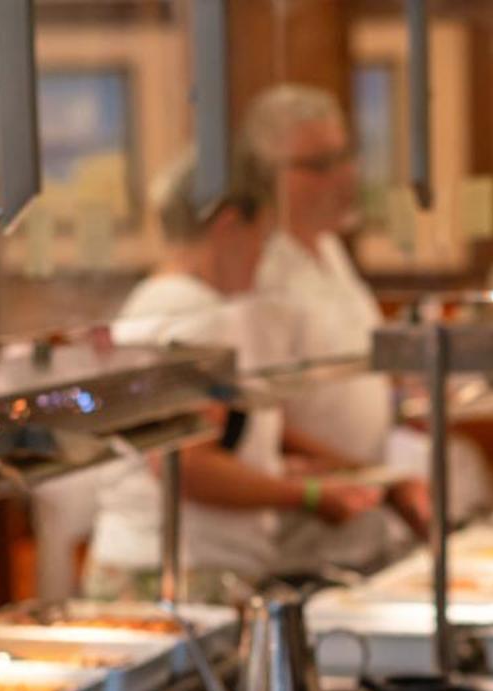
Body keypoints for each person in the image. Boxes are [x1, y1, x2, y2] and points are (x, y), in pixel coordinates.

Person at [85, 152, 382, 602]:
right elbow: (184, 466)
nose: (264, 257)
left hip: (180, 564)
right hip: (173, 570)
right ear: (228, 226)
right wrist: (308, 496)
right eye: (263, 236)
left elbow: (230, 442)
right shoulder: (187, 313)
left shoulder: (178, 303)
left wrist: (338, 472)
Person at [240, 84, 458, 568]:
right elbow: (258, 419)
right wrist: (366, 474)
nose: (345, 177)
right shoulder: (259, 271)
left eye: (346, 158)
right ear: (266, 176)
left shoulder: (330, 251)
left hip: (363, 516)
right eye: (319, 165)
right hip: (303, 534)